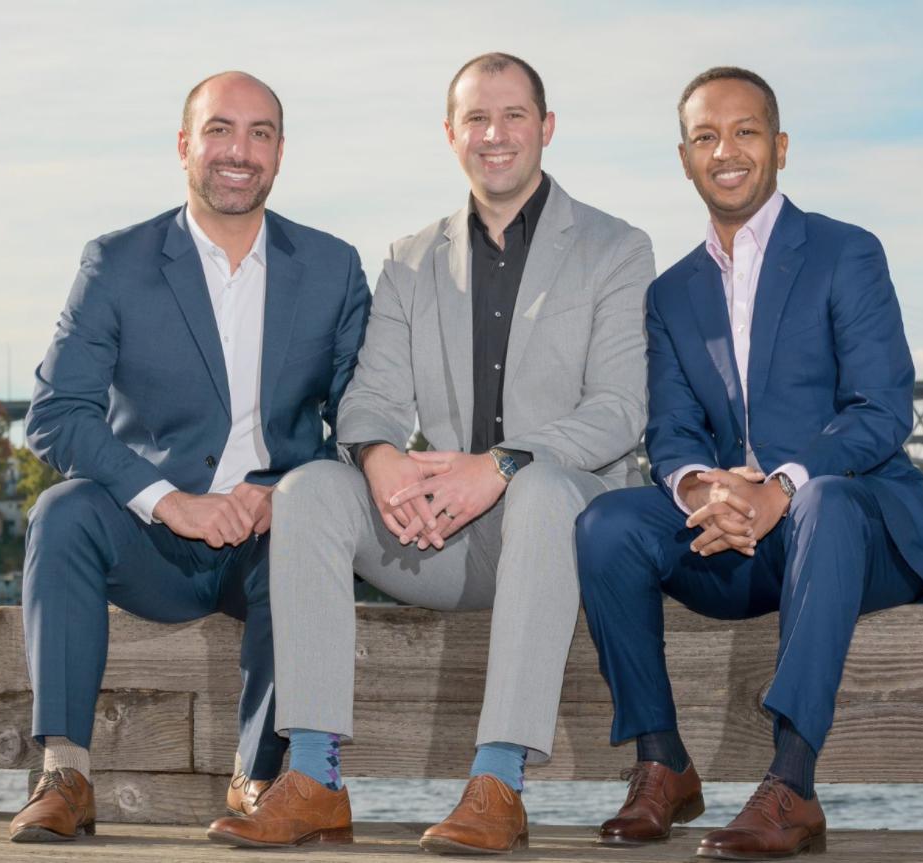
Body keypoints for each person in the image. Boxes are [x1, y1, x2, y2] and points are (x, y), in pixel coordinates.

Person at [206, 52, 655, 854]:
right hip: (440, 532)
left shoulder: (616, 248)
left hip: (564, 531)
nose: (495, 134)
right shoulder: (410, 259)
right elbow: (370, 398)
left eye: (513, 115)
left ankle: (498, 782)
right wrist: (381, 459)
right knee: (309, 488)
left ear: (547, 128)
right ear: (451, 134)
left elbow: (620, 409)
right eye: (476, 118)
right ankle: (311, 777)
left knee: (542, 489)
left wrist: (500, 463)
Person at [574, 66, 923, 860]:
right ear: (685, 158)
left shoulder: (846, 252)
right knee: (605, 523)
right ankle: (662, 761)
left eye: (745, 131)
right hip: (738, 539)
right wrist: (702, 488)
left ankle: (792, 782)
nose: (726, 151)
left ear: (780, 146)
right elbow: (672, 428)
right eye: (706, 136)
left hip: (855, 531)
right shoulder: (671, 292)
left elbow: (881, 408)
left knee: (822, 501)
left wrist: (783, 484)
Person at [9, 71, 370, 843]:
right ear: (184, 145)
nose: (239, 151)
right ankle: (65, 774)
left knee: (309, 526)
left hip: (271, 532)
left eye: (260, 133)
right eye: (219, 129)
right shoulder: (116, 262)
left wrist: (290, 490)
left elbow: (361, 419)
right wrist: (168, 499)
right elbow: (58, 413)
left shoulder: (333, 267)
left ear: (280, 152)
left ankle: (260, 779)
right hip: (149, 534)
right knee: (61, 512)